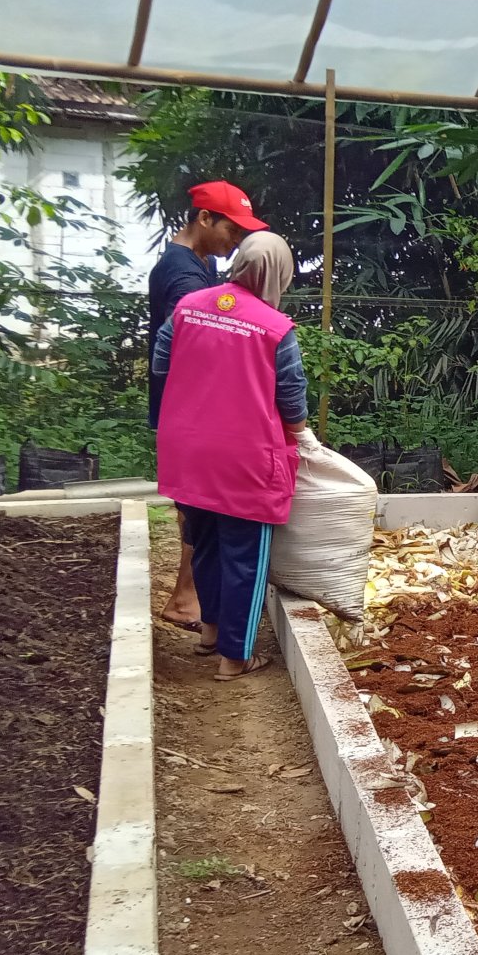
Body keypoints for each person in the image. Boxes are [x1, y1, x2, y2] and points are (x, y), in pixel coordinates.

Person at [152, 232, 309, 682]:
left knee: (204, 544)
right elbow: (291, 394)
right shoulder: (275, 327)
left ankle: (210, 632)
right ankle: (235, 658)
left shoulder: (188, 307)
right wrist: (301, 434)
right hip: (244, 459)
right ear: (277, 273)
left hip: (188, 450)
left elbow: (163, 364)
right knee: (245, 556)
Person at [146, 180, 266, 632]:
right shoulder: (183, 274)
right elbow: (188, 342)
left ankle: (189, 599)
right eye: (231, 229)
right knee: (202, 510)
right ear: (204, 218)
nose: (235, 240)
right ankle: (186, 600)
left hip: (185, 411)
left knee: (196, 507)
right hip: (190, 413)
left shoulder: (192, 266)